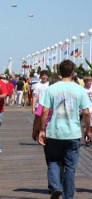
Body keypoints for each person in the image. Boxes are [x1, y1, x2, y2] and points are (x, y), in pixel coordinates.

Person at [39, 60, 91, 199]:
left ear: (59, 72)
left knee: (53, 162)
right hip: (72, 134)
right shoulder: (79, 89)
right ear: (73, 72)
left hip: (54, 132)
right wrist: (88, 130)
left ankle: (56, 187)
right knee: (70, 168)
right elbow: (86, 112)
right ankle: (68, 197)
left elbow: (44, 111)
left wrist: (42, 130)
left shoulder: (52, 89)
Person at [83, 76, 92, 146]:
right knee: (87, 125)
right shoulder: (83, 90)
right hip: (86, 109)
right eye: (88, 81)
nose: (90, 82)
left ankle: (90, 137)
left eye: (90, 81)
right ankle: (86, 138)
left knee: (91, 126)